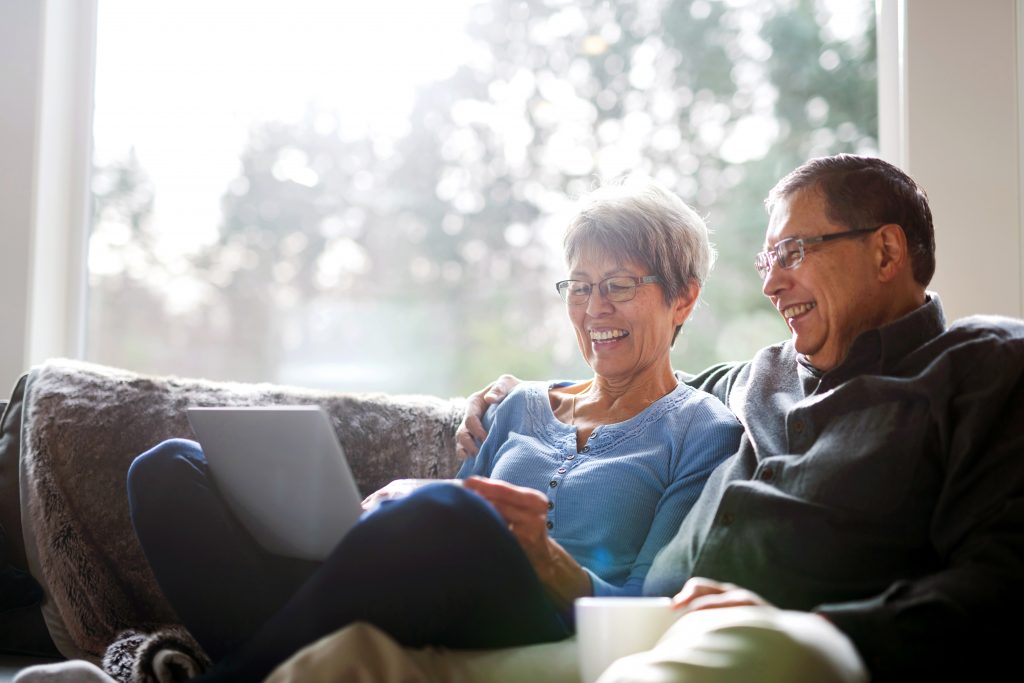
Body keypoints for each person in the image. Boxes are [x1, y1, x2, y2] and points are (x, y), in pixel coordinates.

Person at [118, 176, 742, 682]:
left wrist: (548, 562)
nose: (594, 308)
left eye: (619, 286)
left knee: (448, 515)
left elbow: (657, 607)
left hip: (541, 626)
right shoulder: (520, 406)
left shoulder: (703, 432)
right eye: (578, 287)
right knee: (169, 469)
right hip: (411, 602)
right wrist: (402, 504)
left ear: (682, 298)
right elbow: (443, 540)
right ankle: (264, 662)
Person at [439, 154, 1024, 683]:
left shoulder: (984, 367)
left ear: (887, 252)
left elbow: (1004, 581)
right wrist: (527, 397)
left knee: (758, 652)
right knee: (368, 656)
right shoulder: (758, 377)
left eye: (794, 253)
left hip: (793, 646)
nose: (770, 282)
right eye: (768, 259)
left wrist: (821, 625)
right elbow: (643, 383)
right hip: (640, 638)